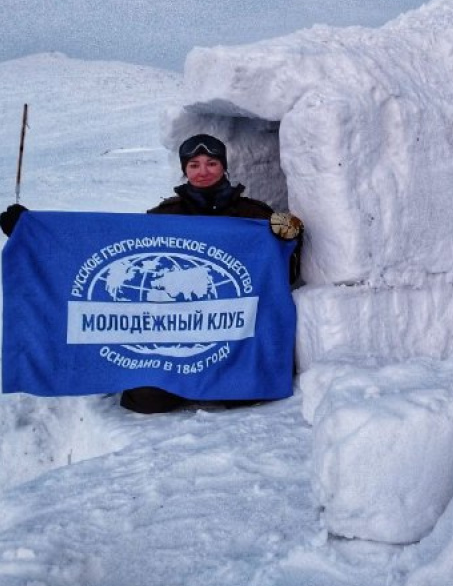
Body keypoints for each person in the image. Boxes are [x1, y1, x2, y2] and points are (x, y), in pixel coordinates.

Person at [1, 133, 303, 415]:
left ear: (224, 167)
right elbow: (98, 242)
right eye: (194, 165)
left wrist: (288, 238)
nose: (203, 171)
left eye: (212, 163)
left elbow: (283, 271)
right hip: (171, 334)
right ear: (185, 170)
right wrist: (30, 233)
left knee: (243, 395)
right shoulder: (164, 215)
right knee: (147, 401)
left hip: (230, 337)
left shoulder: (254, 215)